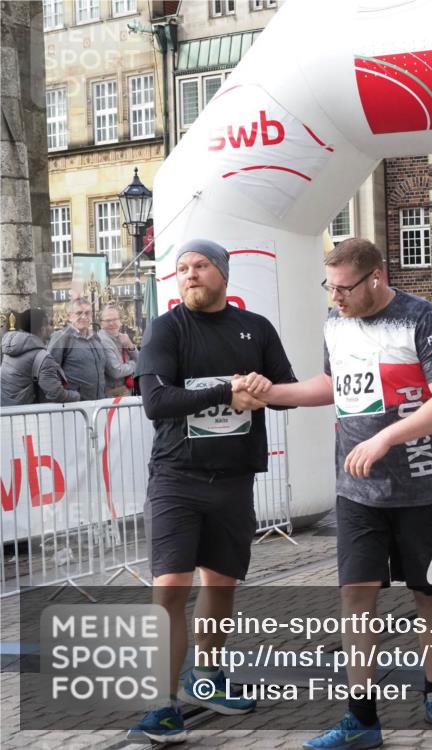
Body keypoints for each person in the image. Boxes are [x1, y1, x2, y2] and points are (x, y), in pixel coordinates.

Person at [246, 238, 432, 748]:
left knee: (430, 594)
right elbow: (332, 384)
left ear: (375, 277)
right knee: (355, 596)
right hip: (357, 490)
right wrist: (270, 393)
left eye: (344, 287)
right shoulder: (336, 321)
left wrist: (388, 435)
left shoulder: (422, 317)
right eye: (330, 287)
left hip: (421, 486)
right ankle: (362, 718)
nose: (336, 297)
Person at [128, 239, 297, 743]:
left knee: (220, 584)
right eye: (183, 268)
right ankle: (162, 703)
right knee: (170, 588)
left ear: (223, 273)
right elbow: (156, 402)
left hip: (234, 479)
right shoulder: (167, 328)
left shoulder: (256, 328)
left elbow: (284, 392)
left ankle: (209, 676)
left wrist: (263, 391)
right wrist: (228, 391)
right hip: (177, 477)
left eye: (201, 266)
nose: (191, 274)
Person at [1, 307, 80, 406]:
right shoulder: (42, 357)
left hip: (6, 412)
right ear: (43, 329)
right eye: (49, 324)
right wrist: (76, 396)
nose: (52, 328)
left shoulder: (12, 348)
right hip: (27, 415)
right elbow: (55, 394)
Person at [47, 297, 108, 401]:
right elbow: (48, 371)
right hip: (75, 406)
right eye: (79, 313)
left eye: (87, 313)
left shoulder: (95, 338)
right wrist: (67, 396)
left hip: (99, 403)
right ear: (69, 316)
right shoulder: (62, 338)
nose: (84, 317)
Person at [97, 303, 138, 397]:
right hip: (112, 395)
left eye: (115, 319)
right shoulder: (102, 340)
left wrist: (130, 345)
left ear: (121, 321)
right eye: (107, 320)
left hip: (124, 391)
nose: (112, 323)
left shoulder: (121, 337)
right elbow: (116, 371)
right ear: (101, 323)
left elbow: (140, 359)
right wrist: (135, 364)